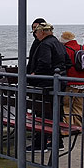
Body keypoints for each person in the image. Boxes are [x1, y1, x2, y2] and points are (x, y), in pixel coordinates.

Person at [27, 23, 70, 151]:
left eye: (36, 32)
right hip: (59, 82)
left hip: (46, 84)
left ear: (42, 32)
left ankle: (40, 143)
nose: (35, 35)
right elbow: (68, 62)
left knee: (42, 112)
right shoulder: (58, 43)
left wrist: (35, 74)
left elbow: (44, 63)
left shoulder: (45, 44)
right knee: (55, 112)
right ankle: (57, 142)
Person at [61, 31, 84, 128]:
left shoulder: (65, 49)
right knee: (81, 107)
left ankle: (67, 127)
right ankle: (78, 127)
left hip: (71, 82)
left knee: (66, 106)